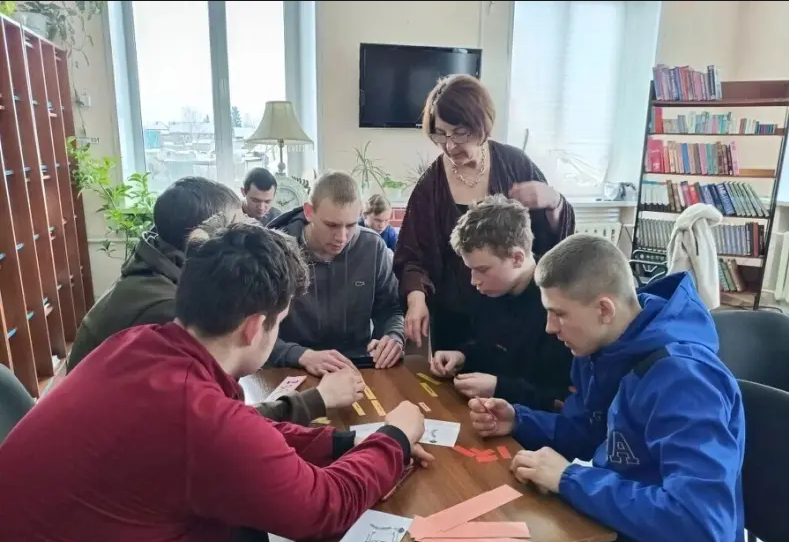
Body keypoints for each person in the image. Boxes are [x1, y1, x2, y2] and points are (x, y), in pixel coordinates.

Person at [0, 221, 434, 542]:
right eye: (280, 323)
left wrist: (345, 442)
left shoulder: (136, 342)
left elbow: (246, 432)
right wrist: (395, 437)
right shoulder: (198, 416)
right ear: (253, 328)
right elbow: (325, 505)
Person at [469, 234, 745, 542]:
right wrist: (520, 420)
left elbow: (701, 529)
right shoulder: (601, 349)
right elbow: (588, 432)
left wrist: (570, 479)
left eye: (559, 314)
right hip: (619, 527)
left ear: (604, 309)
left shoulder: (684, 380)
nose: (549, 328)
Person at [67, 177, 345, 426]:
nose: (246, 236)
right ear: (202, 237)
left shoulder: (157, 270)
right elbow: (216, 424)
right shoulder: (168, 313)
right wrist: (315, 400)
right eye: (235, 230)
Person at [393, 74, 576, 352]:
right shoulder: (431, 185)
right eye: (440, 134)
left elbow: (556, 245)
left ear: (481, 125)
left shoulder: (515, 164)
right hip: (454, 320)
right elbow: (411, 255)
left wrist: (554, 201)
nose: (449, 145)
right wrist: (416, 300)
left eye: (459, 133)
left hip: (515, 317)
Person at [430, 195, 572, 409]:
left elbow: (561, 400)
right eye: (471, 269)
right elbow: (491, 347)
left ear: (517, 258)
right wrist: (463, 356)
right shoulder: (493, 290)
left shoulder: (559, 305)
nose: (474, 281)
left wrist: (500, 388)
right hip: (490, 412)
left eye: (482, 270)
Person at [269, 171, 405, 374]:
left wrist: (394, 336)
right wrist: (299, 355)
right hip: (291, 366)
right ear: (309, 212)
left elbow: (391, 308)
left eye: (351, 225)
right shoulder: (275, 250)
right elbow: (252, 331)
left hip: (357, 364)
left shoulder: (373, 247)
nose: (341, 237)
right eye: (331, 225)